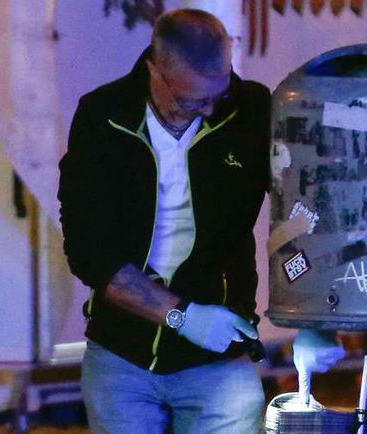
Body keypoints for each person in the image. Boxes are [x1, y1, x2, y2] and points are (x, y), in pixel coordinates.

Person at [58, 9, 343, 434]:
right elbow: (89, 251)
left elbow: (302, 214)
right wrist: (183, 317)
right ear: (156, 71)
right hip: (121, 352)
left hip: (220, 358)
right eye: (191, 100)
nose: (209, 110)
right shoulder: (105, 116)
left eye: (218, 94)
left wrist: (313, 320)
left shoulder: (250, 110)